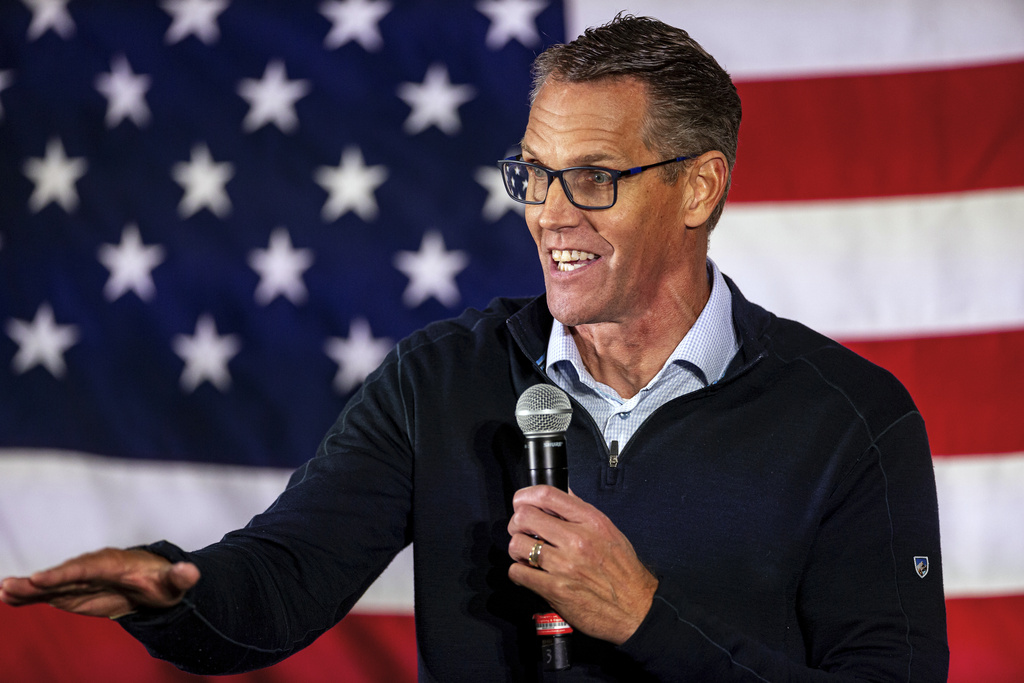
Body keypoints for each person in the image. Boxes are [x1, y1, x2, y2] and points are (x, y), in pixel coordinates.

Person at [0, 14, 949, 681]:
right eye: (532, 175)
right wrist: (170, 591)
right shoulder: (440, 379)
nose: (548, 214)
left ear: (700, 188)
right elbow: (283, 579)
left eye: (593, 178)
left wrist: (646, 619)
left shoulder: (851, 419)